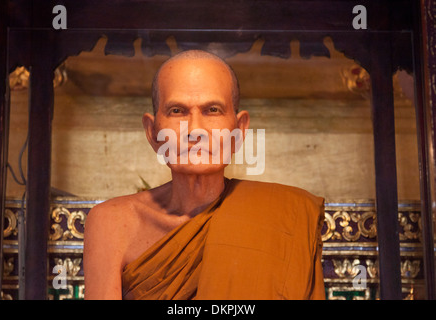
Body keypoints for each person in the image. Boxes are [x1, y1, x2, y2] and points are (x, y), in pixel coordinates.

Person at [83, 50, 325, 300]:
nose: (195, 129)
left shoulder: (287, 216)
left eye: (212, 109)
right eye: (177, 111)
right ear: (153, 132)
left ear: (239, 131)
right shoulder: (112, 224)